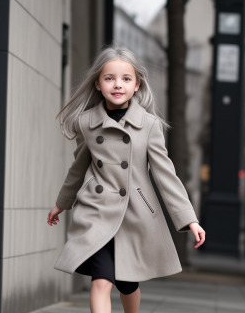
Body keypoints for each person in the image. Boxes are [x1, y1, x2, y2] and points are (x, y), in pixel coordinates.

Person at [47, 45, 206, 313]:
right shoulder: (87, 123)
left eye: (126, 79)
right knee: (101, 282)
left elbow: (165, 174)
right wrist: (62, 203)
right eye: (109, 78)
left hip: (134, 214)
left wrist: (189, 219)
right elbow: (79, 167)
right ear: (97, 84)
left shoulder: (149, 125)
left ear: (137, 85)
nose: (117, 85)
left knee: (127, 284)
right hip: (96, 211)